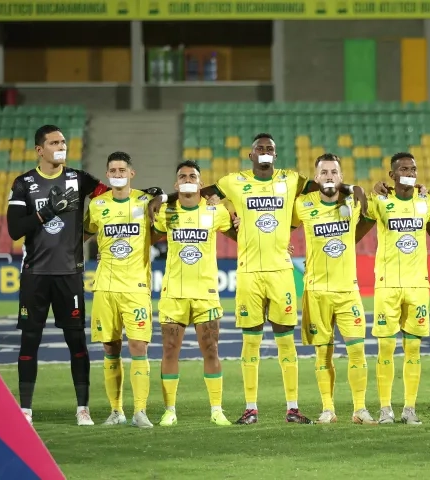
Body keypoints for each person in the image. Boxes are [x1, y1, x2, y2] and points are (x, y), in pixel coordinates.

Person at [162, 133, 366, 425]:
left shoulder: (292, 179)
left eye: (270, 148)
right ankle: (250, 408)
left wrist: (349, 187)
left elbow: (325, 185)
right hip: (248, 274)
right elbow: (197, 190)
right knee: (251, 343)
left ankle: (292, 408)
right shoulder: (234, 181)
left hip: (281, 272)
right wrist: (166, 198)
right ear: (251, 155)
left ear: (276, 154)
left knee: (286, 342)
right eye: (260, 148)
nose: (265, 152)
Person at [6, 124, 160, 426]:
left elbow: (115, 194)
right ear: (40, 149)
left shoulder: (79, 179)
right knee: (30, 341)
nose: (60, 146)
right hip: (35, 273)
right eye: (54, 142)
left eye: (63, 141)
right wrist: (46, 212)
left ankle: (83, 409)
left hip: (70, 274)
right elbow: (14, 230)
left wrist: (152, 195)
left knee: (76, 342)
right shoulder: (23, 183)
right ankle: (25, 409)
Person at [355, 152, 430, 425]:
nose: (409, 172)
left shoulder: (428, 203)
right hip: (387, 284)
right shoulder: (381, 202)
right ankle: (385, 409)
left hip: (417, 285)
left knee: (413, 350)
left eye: (413, 168)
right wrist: (369, 189)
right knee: (386, 349)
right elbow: (363, 213)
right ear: (391, 175)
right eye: (403, 168)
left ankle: (409, 409)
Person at [151, 161, 236, 426]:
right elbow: (146, 239)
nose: (187, 179)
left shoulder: (216, 212)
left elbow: (242, 234)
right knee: (169, 351)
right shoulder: (166, 212)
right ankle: (170, 410)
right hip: (174, 292)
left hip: (206, 292)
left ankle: (216, 409)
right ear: (176, 185)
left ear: (201, 184)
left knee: (211, 350)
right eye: (182, 176)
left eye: (193, 176)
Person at [292, 153, 375, 424]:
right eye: (324, 172)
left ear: (341, 176)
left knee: (357, 350)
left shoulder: (352, 201)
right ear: (316, 178)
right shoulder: (303, 204)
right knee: (323, 353)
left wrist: (355, 190)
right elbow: (278, 224)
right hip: (316, 291)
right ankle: (328, 409)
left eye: (334, 172)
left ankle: (360, 409)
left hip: (347, 291)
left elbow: (373, 212)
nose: (329, 175)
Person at [83, 152, 157, 428]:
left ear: (131, 173)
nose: (117, 173)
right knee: (110, 348)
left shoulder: (145, 200)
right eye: (112, 170)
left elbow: (162, 225)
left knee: (139, 346)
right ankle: (116, 411)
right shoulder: (97, 205)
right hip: (105, 286)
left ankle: (140, 411)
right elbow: (85, 233)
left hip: (136, 286)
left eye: (122, 169)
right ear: (107, 175)